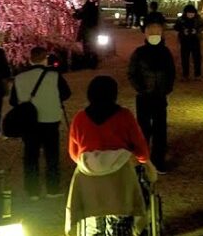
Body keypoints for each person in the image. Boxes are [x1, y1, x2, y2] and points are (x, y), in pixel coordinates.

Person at [66, 75, 155, 235]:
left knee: (93, 216)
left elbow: (74, 154)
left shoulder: (79, 119)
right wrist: (142, 161)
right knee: (142, 183)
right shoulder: (124, 116)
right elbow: (141, 150)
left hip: (91, 187)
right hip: (121, 183)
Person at [10, 46, 72, 200]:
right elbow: (66, 94)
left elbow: (13, 101)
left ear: (30, 59)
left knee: (30, 156)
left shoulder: (19, 77)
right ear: (46, 59)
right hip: (50, 119)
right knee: (52, 156)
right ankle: (52, 189)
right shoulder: (54, 76)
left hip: (29, 122)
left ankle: (32, 191)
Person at [127, 17, 175, 174]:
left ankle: (158, 160)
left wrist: (167, 88)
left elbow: (171, 72)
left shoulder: (165, 52)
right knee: (143, 129)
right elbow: (132, 74)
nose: (154, 33)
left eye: (157, 30)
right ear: (145, 33)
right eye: (151, 30)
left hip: (160, 95)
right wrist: (140, 88)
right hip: (144, 96)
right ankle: (143, 160)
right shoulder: (139, 53)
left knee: (160, 129)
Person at [174, 4, 203, 79]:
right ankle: (185, 74)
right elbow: (176, 27)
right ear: (185, 13)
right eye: (189, 13)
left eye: (192, 13)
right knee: (185, 58)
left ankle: (197, 74)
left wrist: (196, 30)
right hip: (184, 40)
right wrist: (183, 30)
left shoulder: (197, 19)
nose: (191, 15)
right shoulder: (181, 19)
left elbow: (202, 26)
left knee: (196, 58)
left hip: (195, 40)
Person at [72, 0, 100, 69]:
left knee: (87, 47)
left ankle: (89, 63)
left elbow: (80, 16)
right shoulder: (92, 6)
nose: (80, 2)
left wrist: (73, 13)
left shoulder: (87, 7)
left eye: (80, 0)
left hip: (87, 30)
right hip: (93, 30)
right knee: (93, 47)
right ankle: (93, 62)